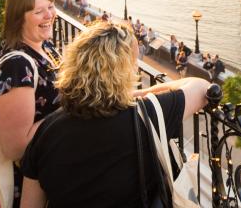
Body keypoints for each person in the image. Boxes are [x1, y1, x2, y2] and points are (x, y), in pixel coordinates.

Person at [20, 21, 210, 208]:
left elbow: (30, 203)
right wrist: (140, 94)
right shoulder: (145, 115)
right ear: (123, 71)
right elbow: (203, 88)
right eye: (134, 61)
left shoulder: (48, 129)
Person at [0, 0, 62, 207]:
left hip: (51, 167)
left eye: (50, 6)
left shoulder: (46, 48)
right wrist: (71, 111)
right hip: (31, 183)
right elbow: (15, 147)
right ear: (19, 19)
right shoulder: (17, 66)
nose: (49, 15)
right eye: (39, 11)